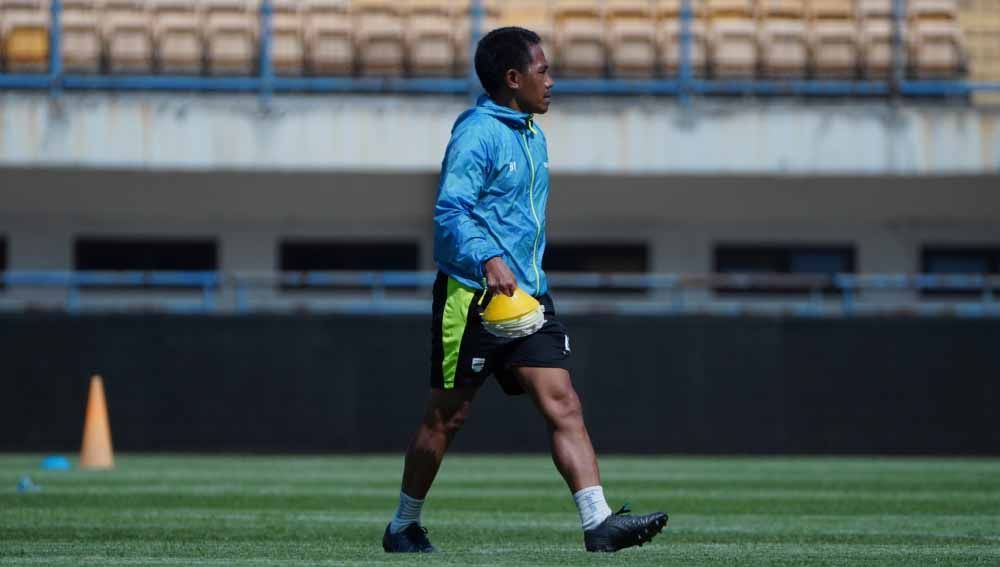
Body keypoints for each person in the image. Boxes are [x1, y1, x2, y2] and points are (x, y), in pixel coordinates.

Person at [382, 26, 668, 554]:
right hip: (472, 297)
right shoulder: (477, 133)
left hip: (528, 297)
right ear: (513, 79)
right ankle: (403, 525)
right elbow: (450, 210)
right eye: (543, 71)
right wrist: (487, 257)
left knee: (564, 404)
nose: (552, 81)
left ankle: (597, 522)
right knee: (447, 416)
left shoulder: (532, 132)